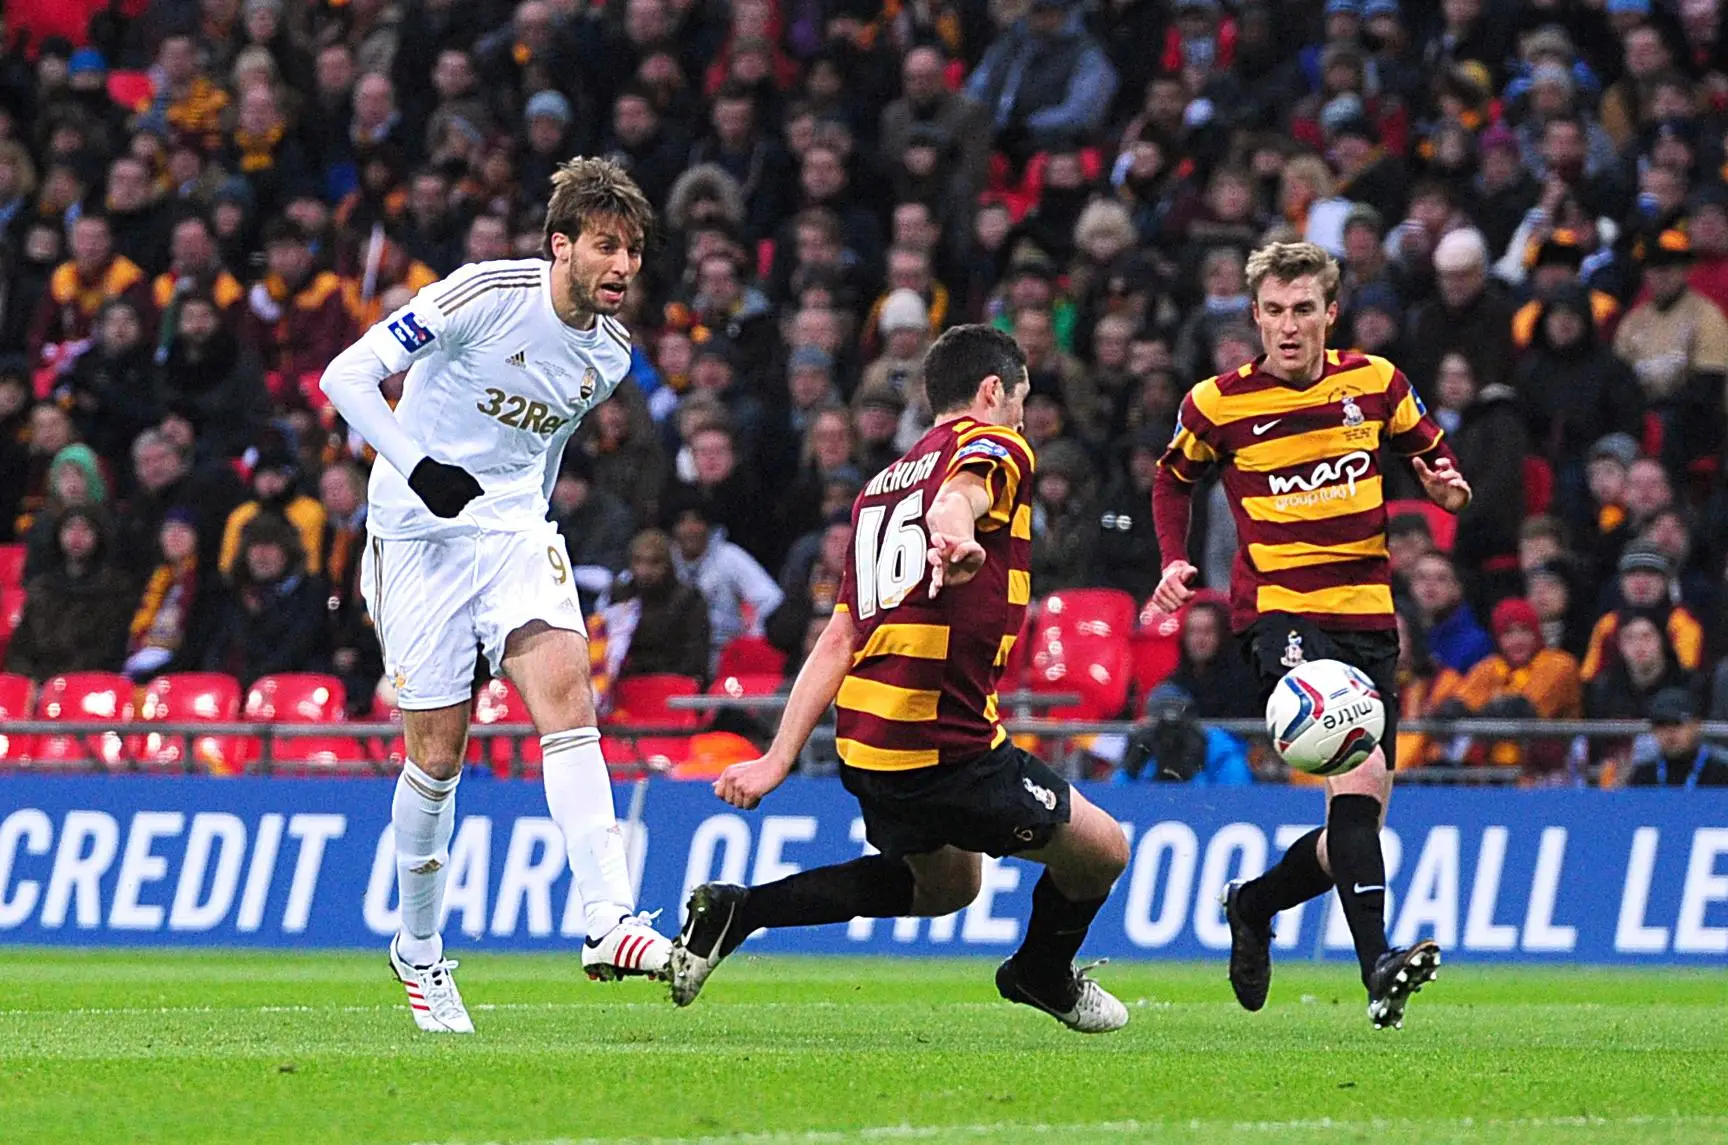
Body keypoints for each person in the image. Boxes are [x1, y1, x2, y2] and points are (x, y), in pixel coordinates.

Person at [668, 325, 1132, 1034]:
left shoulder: (879, 489)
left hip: (869, 742)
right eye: (1020, 399)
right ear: (991, 391)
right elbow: (961, 496)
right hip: (945, 744)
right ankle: (1041, 972)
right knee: (1103, 849)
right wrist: (959, 531)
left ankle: (741, 910)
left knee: (950, 883)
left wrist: (777, 756)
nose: (1021, 416)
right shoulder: (997, 445)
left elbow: (839, 635)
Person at [316, 157, 673, 1033]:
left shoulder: (611, 358)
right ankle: (419, 948)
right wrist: (418, 466)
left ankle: (608, 919)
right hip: (417, 532)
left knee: (569, 695)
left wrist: (526, 518)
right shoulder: (485, 291)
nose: (622, 265)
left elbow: (547, 446)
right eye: (605, 246)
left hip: (513, 531)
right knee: (437, 760)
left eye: (632, 250)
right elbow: (344, 378)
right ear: (561, 246)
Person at [1152, 241, 1471, 1030]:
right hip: (1280, 615)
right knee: (1354, 781)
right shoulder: (1218, 403)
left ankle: (1254, 905)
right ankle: (1378, 968)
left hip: (1367, 615)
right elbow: (1171, 477)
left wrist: (1447, 483)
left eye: (1303, 310)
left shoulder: (1377, 382)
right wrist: (1173, 561)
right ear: (1254, 316)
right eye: (1273, 311)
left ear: (1331, 312)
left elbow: (1433, 455)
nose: (1288, 326)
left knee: (1356, 820)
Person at [1625, 688, 1728, 788]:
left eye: (1677, 723)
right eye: (1661, 724)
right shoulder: (1644, 774)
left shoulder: (1722, 770)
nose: (1669, 732)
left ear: (1696, 725)